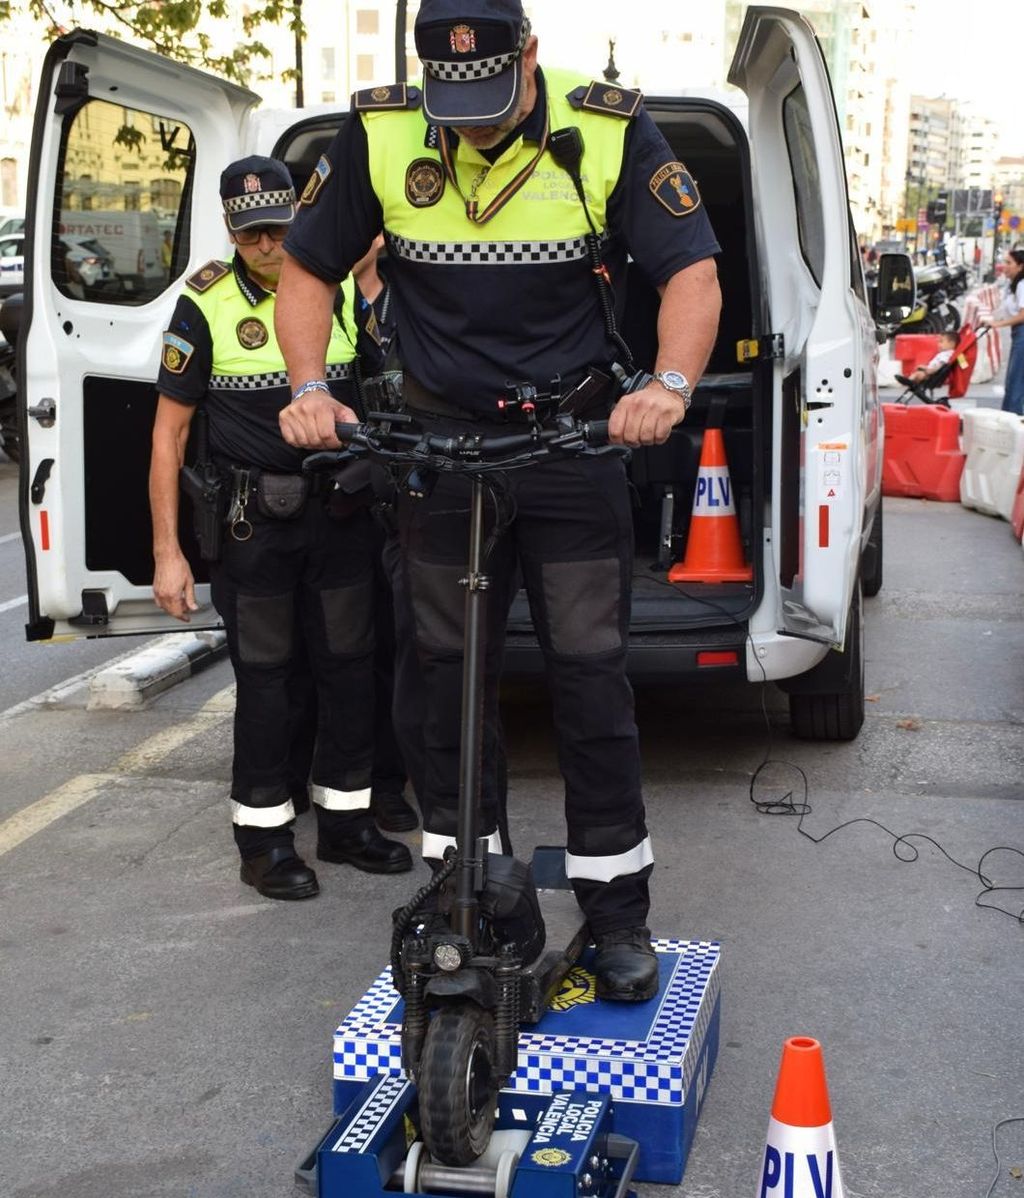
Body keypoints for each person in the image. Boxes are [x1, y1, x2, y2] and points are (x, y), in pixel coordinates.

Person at [274, 0, 722, 1001]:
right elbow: (305, 268)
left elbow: (690, 272)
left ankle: (616, 914)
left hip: (570, 442)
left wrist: (667, 388)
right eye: (452, 100)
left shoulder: (603, 128)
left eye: (490, 95)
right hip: (436, 444)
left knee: (590, 677)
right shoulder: (384, 131)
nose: (469, 122)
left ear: (529, 56)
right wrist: (310, 389)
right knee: (440, 680)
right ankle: (470, 890)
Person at [149, 155, 412, 902]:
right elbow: (167, 438)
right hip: (252, 528)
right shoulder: (201, 305)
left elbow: (380, 386)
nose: (267, 246)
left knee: (350, 668)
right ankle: (263, 841)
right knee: (269, 684)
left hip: (339, 517)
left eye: (278, 229)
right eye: (252, 233)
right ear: (233, 232)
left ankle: (346, 823)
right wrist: (168, 553)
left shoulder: (327, 295)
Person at [982, 249, 1024, 416]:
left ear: (1020, 266)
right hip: (1018, 334)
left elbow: (1022, 315)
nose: (1004, 266)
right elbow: (1003, 309)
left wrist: (998, 324)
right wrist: (989, 320)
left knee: (1015, 383)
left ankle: (1011, 423)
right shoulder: (1012, 285)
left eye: (1009, 263)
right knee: (1013, 381)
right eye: (1004, 262)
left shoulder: (1022, 284)